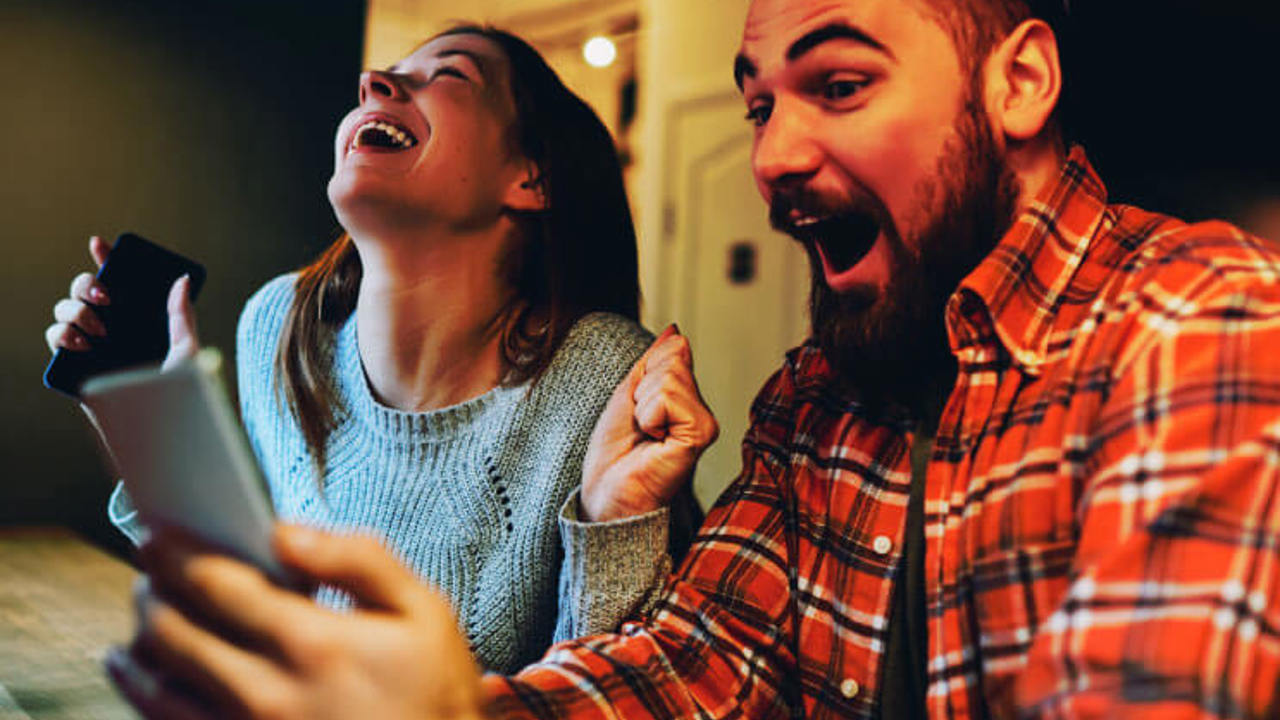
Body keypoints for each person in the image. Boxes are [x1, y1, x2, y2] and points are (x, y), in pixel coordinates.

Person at [103, 0, 1280, 718]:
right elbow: (691, 669)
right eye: (758, 106)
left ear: (1016, 81)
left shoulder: (1194, 319)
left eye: (837, 84)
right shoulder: (813, 405)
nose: (770, 157)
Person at [45, 25, 704, 675]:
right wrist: (157, 437)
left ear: (531, 177)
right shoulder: (279, 327)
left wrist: (616, 528)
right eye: (384, 74)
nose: (373, 82)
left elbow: (616, 691)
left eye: (447, 74)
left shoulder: (606, 378)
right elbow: (252, 618)